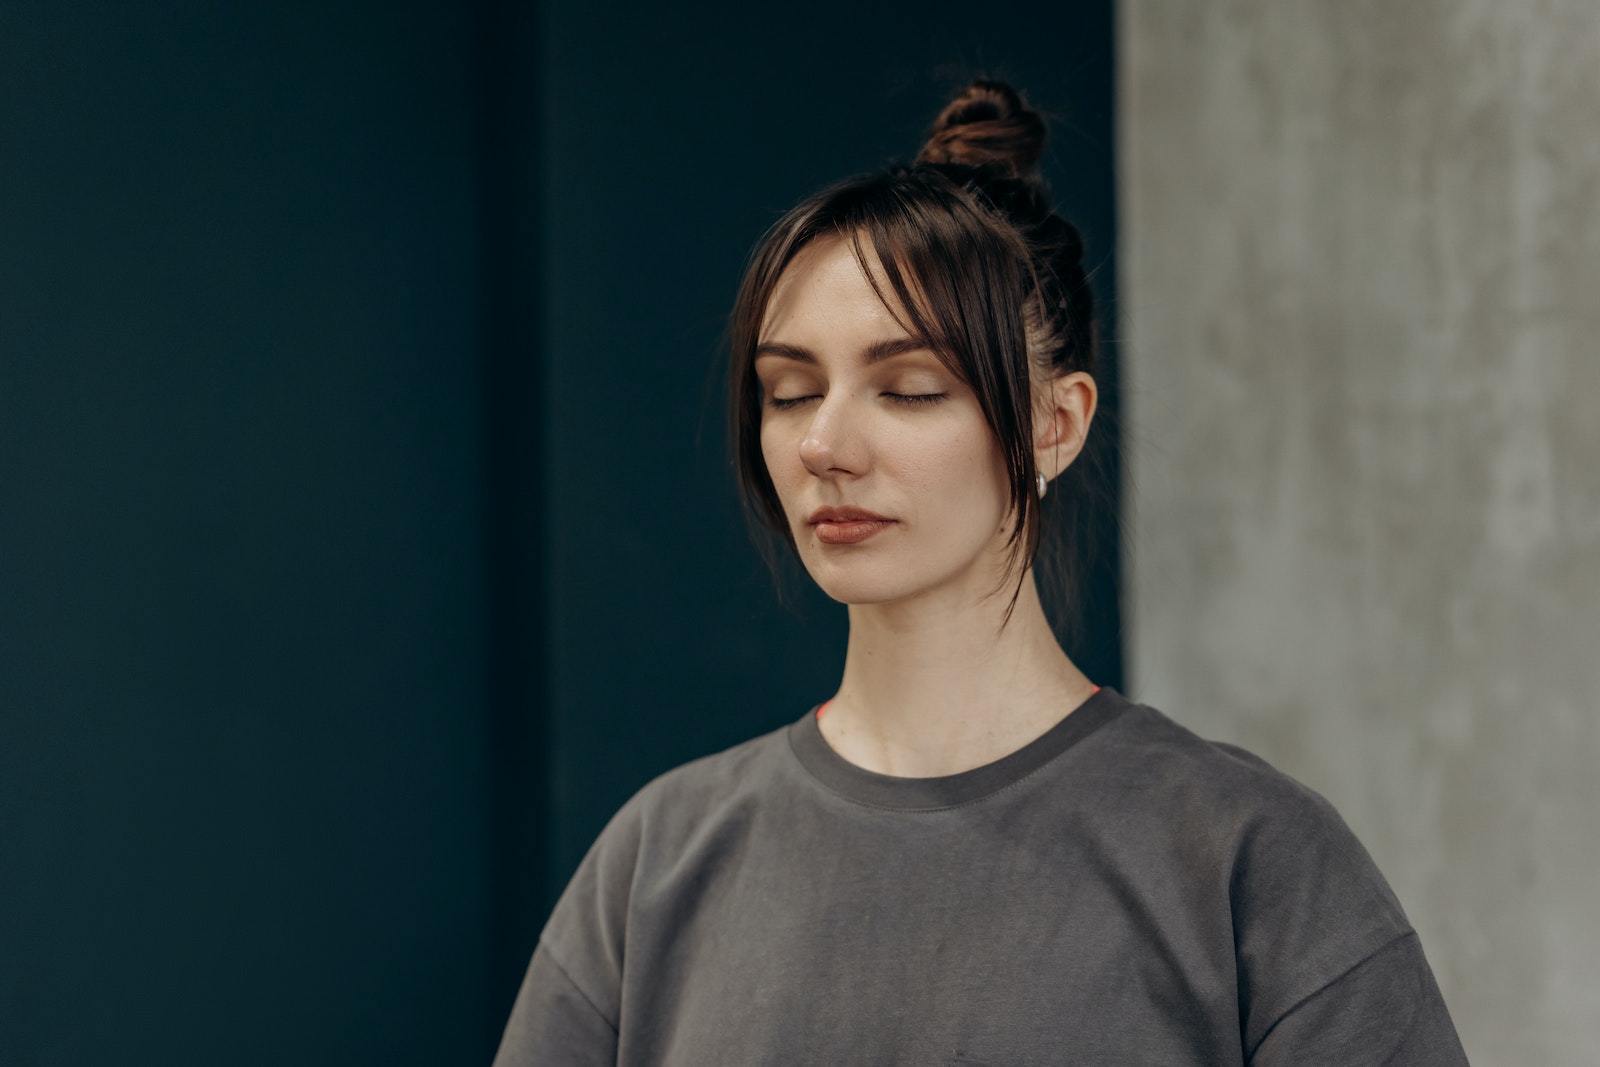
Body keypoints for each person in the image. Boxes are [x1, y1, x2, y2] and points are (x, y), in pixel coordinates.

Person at [492, 80, 1469, 1065]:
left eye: (907, 389)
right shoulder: (659, 864)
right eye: (789, 393)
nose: (825, 442)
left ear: (1056, 422)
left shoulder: (1248, 862)